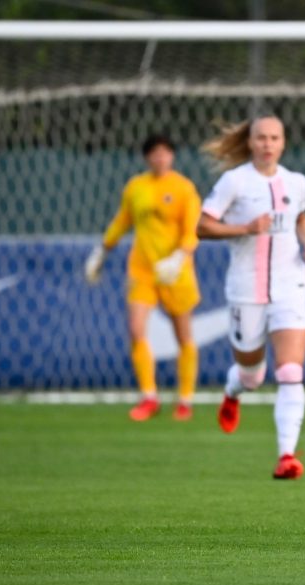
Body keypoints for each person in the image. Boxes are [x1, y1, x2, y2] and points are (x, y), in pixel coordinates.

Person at [197, 116, 305, 480]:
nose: (267, 143)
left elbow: (301, 219)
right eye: (261, 137)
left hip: (290, 286)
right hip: (246, 289)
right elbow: (202, 225)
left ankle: (286, 456)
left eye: (274, 137)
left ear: (283, 143)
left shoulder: (296, 182)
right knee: (252, 374)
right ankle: (233, 392)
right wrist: (244, 228)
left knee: (290, 372)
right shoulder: (235, 181)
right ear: (250, 142)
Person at [84, 133, 202, 422]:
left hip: (176, 271)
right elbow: (123, 221)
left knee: (183, 335)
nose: (160, 158)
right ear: (147, 157)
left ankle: (185, 399)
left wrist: (179, 257)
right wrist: (102, 250)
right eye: (155, 153)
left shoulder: (184, 188)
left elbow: (192, 230)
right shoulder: (136, 187)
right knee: (136, 330)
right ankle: (149, 396)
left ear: (172, 156)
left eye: (165, 152)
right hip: (142, 270)